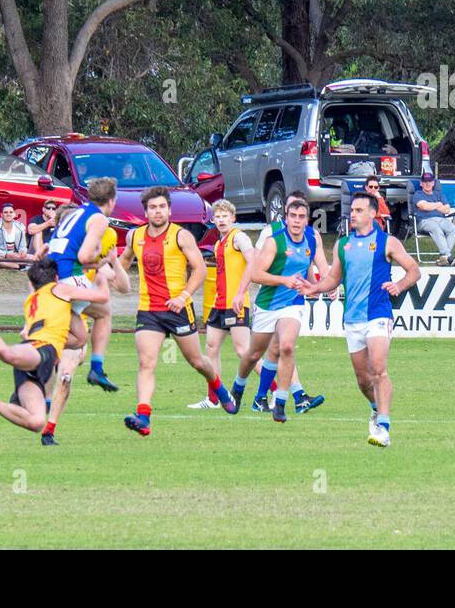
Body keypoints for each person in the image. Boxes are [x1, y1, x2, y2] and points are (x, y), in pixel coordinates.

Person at [0, 257, 112, 439]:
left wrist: (41, 256)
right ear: (56, 278)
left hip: (40, 360)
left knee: (36, 422)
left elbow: (79, 339)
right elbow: (102, 298)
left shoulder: (33, 297)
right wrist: (101, 276)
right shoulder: (59, 289)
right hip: (39, 350)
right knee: (7, 354)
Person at [303, 191, 421, 447]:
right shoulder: (342, 245)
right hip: (352, 318)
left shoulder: (387, 242)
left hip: (378, 315)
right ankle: (375, 408)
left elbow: (414, 270)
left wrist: (399, 286)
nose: (352, 214)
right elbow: (334, 279)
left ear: (372, 213)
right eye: (352, 210)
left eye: (358, 210)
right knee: (362, 379)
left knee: (378, 370)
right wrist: (313, 288)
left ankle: (384, 428)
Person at [118, 186, 238, 434]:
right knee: (146, 362)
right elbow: (124, 263)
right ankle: (144, 417)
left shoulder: (181, 236)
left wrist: (183, 297)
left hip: (178, 309)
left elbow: (200, 270)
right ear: (146, 211)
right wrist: (110, 269)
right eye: (153, 207)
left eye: (162, 207)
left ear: (169, 210)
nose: (158, 211)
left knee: (196, 361)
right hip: (148, 309)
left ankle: (218, 387)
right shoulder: (135, 236)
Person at [232, 197, 328, 421]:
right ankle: (238, 388)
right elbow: (256, 274)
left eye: (301, 216)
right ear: (286, 218)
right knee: (253, 354)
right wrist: (283, 280)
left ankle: (281, 404)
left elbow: (311, 271)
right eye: (293, 216)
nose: (296, 221)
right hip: (267, 305)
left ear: (307, 220)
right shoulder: (274, 241)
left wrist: (316, 286)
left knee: (286, 346)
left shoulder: (312, 240)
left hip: (292, 305)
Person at [44, 180, 120, 392]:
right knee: (104, 313)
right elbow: (84, 255)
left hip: (52, 276)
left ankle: (40, 350)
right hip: (69, 278)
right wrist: (100, 257)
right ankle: (97, 368)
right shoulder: (98, 218)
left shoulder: (78, 211)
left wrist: (94, 261)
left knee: (78, 339)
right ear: (112, 200)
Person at [189, 199, 258, 410]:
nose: (221, 220)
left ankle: (271, 390)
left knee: (244, 350)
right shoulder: (219, 243)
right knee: (211, 347)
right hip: (219, 304)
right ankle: (213, 399)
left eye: (225, 216)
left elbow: (253, 261)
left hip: (236, 303)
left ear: (233, 218)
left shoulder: (239, 238)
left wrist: (240, 293)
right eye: (217, 217)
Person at [412, 171, 455, 265]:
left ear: (433, 183)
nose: (428, 184)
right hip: (424, 221)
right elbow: (424, 207)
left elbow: (447, 210)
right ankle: (447, 255)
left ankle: (444, 257)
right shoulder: (418, 194)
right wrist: (438, 204)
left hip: (440, 219)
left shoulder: (439, 194)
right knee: (435, 227)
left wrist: (431, 205)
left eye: (430, 181)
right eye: (425, 182)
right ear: (421, 184)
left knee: (453, 229)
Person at [0, 203, 34, 268]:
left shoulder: (20, 227)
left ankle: (2, 265)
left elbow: (23, 246)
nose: (8, 214)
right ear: (1, 215)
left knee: (33, 258)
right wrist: (6, 255)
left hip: (14, 256)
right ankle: (17, 266)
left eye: (11, 212)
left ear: (14, 214)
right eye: (5, 212)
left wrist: (22, 252)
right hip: (0, 255)